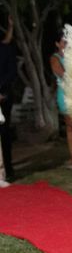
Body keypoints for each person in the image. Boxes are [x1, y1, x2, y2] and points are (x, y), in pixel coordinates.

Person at [50, 30, 72, 169]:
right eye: (63, 41)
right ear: (57, 44)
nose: (66, 44)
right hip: (66, 94)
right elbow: (62, 74)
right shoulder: (55, 58)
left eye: (67, 41)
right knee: (70, 125)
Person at [0, 14, 17, 181]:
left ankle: (7, 168)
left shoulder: (5, 49)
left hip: (3, 96)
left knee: (4, 132)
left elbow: (11, 73)